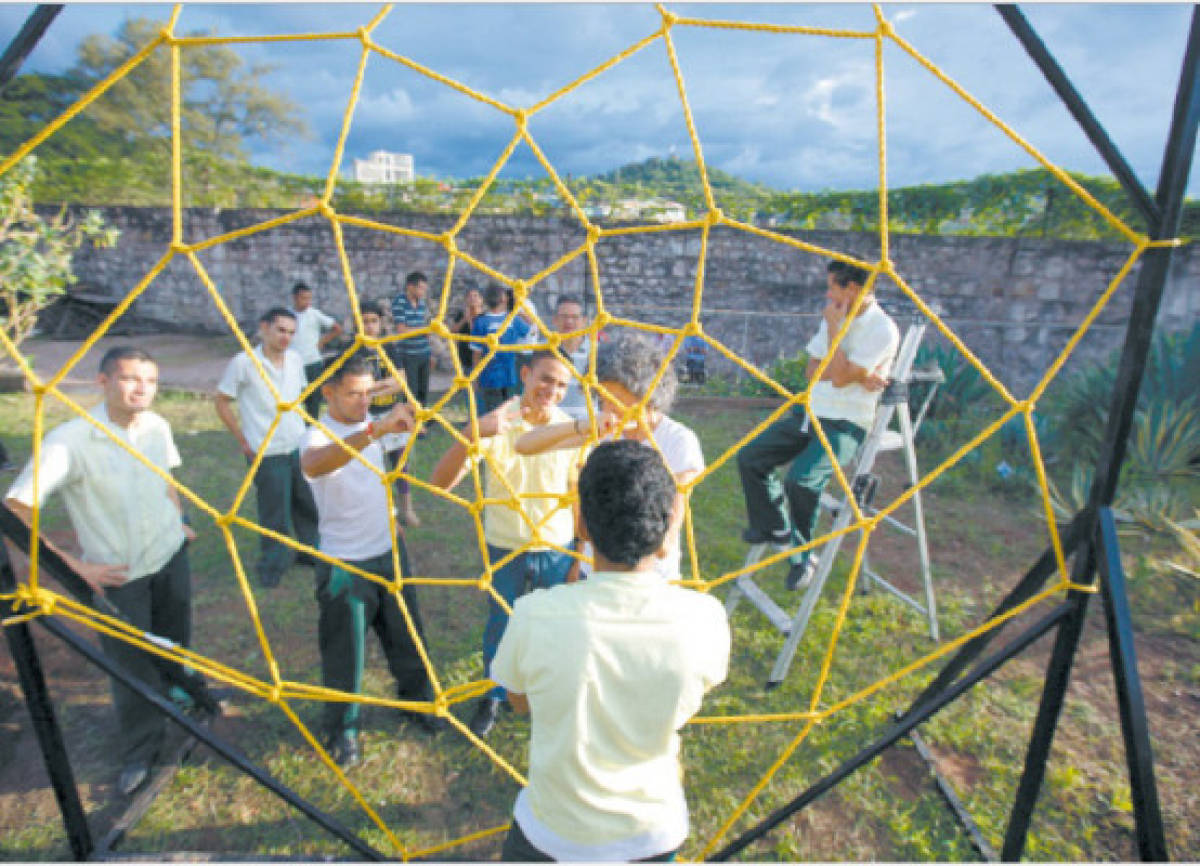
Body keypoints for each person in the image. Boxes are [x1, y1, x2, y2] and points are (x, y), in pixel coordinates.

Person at [492, 440, 730, 862]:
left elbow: (519, 701)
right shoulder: (704, 618)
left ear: (580, 525)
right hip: (651, 834)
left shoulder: (534, 615)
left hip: (552, 833)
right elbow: (691, 699)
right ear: (672, 520)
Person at [5, 346, 205, 796]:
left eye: (150, 381)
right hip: (120, 575)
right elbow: (16, 507)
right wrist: (73, 566)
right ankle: (141, 750)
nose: (142, 390)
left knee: (174, 641)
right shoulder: (70, 440)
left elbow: (166, 477)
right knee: (131, 666)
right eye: (131, 379)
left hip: (169, 557)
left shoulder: (157, 426)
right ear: (102, 382)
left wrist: (181, 521)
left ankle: (181, 702)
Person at [430, 350, 583, 739]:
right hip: (505, 547)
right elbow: (440, 485)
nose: (552, 390)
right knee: (502, 625)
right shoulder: (498, 424)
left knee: (553, 626)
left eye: (562, 384)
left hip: (555, 548)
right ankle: (494, 693)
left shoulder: (569, 430)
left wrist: (577, 554)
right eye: (546, 378)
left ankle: (546, 694)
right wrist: (472, 432)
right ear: (526, 374)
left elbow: (577, 496)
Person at [300, 357, 438, 767]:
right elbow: (315, 464)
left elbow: (379, 473)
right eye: (353, 394)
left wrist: (392, 518)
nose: (364, 402)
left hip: (388, 553)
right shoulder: (317, 434)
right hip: (345, 563)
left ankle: (418, 702)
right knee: (346, 651)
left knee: (406, 635)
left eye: (368, 393)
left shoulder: (369, 426)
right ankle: (343, 729)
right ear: (328, 393)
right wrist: (374, 427)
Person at [737, 260, 899, 590]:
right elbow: (813, 371)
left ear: (852, 288)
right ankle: (775, 526)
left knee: (802, 482)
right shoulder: (833, 317)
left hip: (846, 423)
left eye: (832, 287)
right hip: (811, 413)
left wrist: (839, 341)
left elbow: (838, 377)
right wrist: (859, 373)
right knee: (751, 456)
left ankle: (802, 556)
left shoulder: (882, 329)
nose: (827, 294)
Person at [515, 332, 704, 582]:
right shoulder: (605, 431)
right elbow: (525, 445)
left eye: (618, 403)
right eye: (603, 401)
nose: (608, 411)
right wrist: (583, 427)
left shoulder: (679, 441)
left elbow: (666, 542)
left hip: (652, 577)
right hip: (596, 571)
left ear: (647, 398)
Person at [214, 307, 320, 587]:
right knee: (275, 509)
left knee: (306, 501)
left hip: (297, 445)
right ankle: (273, 562)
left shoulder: (296, 359)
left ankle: (312, 551)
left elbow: (300, 396)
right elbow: (222, 400)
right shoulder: (244, 363)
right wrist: (241, 438)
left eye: (291, 333)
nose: (286, 337)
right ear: (264, 328)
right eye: (281, 330)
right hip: (266, 449)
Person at [354, 301, 420, 526]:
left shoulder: (390, 348)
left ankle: (407, 510)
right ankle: (381, 512)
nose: (369, 326)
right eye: (365, 321)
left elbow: (401, 382)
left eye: (373, 321)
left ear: (381, 323)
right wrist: (383, 385)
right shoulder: (354, 351)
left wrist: (374, 387)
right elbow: (357, 388)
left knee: (401, 464)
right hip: (368, 417)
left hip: (393, 413)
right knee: (373, 467)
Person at [470, 284, 531, 414]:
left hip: (488, 376)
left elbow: (476, 353)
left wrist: (475, 377)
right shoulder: (513, 319)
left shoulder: (480, 322)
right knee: (511, 411)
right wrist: (518, 309)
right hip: (510, 376)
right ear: (504, 299)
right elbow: (530, 325)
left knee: (493, 412)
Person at [290, 281, 343, 419]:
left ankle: (312, 426)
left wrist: (322, 341)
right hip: (293, 364)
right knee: (294, 397)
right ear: (295, 298)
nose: (307, 302)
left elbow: (336, 328)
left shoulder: (314, 314)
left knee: (314, 399)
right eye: (303, 298)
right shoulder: (288, 315)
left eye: (309, 298)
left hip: (313, 362)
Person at [390, 271, 433, 411]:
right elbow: (401, 330)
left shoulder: (422, 303)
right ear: (410, 286)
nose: (423, 292)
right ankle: (411, 423)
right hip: (409, 355)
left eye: (424, 289)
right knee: (411, 392)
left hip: (424, 353)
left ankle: (421, 422)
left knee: (423, 391)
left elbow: (423, 326)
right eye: (421, 288)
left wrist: (428, 333)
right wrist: (424, 329)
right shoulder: (399, 302)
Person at [549, 295, 592, 421]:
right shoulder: (543, 352)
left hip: (587, 426)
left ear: (584, 321)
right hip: (552, 426)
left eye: (575, 317)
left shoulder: (596, 353)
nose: (569, 322)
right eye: (564, 317)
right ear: (555, 320)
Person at [449, 287, 485, 377]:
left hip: (480, 360)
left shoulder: (485, 316)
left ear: (481, 300)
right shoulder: (461, 315)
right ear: (466, 300)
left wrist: (471, 320)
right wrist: (465, 319)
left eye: (475, 296)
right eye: (470, 296)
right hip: (463, 359)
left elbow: (477, 337)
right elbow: (452, 331)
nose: (472, 298)